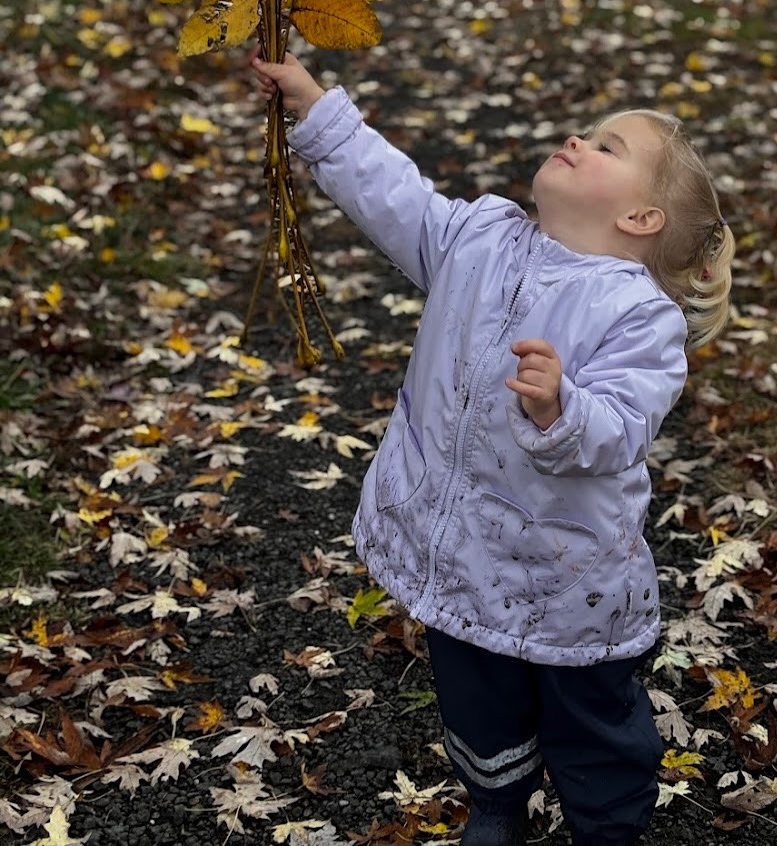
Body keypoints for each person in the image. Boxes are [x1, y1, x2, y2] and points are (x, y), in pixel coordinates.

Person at [250, 52, 735, 846]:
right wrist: (317, 110)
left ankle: (606, 827)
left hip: (567, 578)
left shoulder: (639, 316)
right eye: (588, 132)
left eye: (608, 147)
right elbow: (395, 197)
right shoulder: (478, 235)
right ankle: (498, 803)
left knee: (594, 722)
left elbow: (621, 427)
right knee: (477, 695)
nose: (579, 139)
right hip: (468, 552)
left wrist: (561, 407)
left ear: (641, 219)